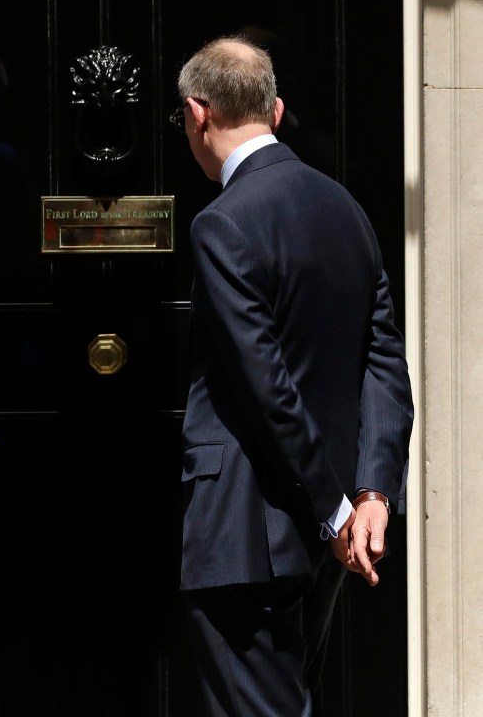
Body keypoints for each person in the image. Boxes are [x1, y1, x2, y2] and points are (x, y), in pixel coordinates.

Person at [173, 36, 414, 715]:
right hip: (323, 533)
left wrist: (337, 509)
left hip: (247, 530)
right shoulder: (347, 210)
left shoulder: (223, 223)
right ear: (275, 112)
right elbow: (385, 364)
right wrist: (372, 492)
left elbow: (264, 382)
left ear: (198, 113)